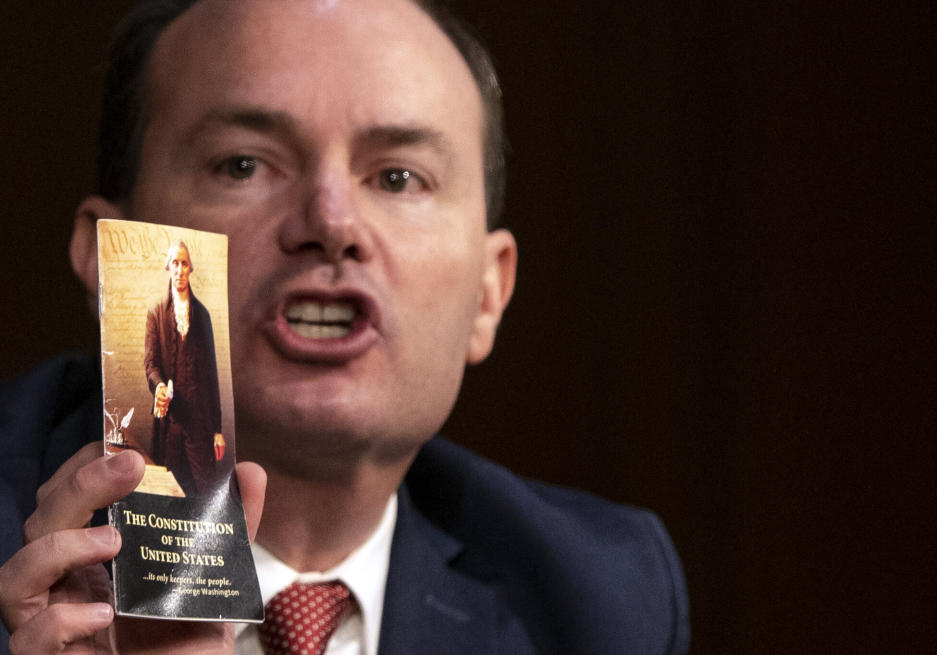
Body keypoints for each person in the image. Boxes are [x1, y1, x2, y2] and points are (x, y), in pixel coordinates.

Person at [0, 0, 690, 653]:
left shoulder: (600, 598)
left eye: (397, 178)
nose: (331, 223)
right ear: (105, 251)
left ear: (488, 293)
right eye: (243, 164)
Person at [145, 241, 225, 496]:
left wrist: (217, 430)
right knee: (168, 493)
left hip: (199, 424)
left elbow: (212, 376)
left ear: (190, 269)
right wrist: (158, 386)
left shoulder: (202, 316)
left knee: (204, 492)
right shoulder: (156, 313)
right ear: (168, 267)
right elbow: (151, 364)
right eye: (175, 263)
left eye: (184, 263)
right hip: (169, 423)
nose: (179, 270)